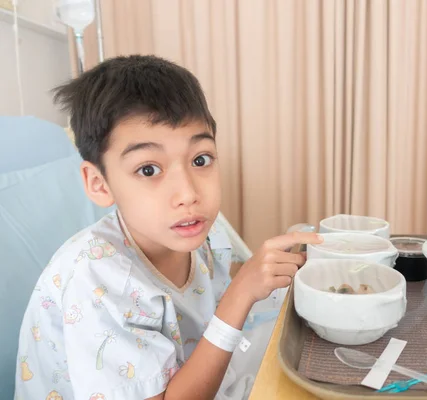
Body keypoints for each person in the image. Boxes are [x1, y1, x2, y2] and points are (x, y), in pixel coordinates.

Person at [14, 54, 322, 400]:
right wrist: (239, 297)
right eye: (149, 169)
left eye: (200, 159)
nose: (189, 194)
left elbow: (227, 275)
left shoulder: (198, 226)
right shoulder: (95, 278)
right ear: (99, 183)